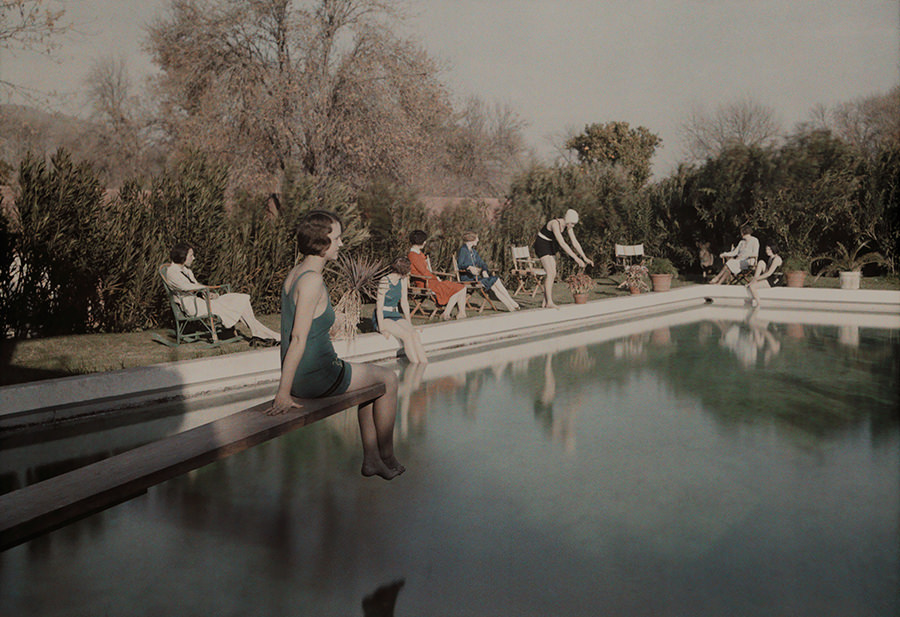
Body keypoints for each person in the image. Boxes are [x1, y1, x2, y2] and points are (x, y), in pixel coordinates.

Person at [267, 210, 404, 481]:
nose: (341, 244)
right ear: (321, 242)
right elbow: (296, 338)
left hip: (306, 374)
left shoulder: (296, 273)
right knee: (388, 379)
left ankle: (372, 460)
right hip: (316, 376)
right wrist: (283, 393)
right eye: (338, 238)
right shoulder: (312, 281)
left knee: (371, 385)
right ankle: (387, 454)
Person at [166, 243, 280, 345]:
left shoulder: (187, 271)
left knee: (240, 299)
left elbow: (196, 287)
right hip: (193, 306)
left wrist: (208, 293)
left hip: (200, 301)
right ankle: (264, 333)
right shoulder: (172, 272)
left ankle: (258, 332)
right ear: (182, 256)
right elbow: (188, 288)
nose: (193, 258)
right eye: (191, 255)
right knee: (233, 304)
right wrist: (207, 289)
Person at [533, 209, 594, 308]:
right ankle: (549, 302)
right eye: (572, 224)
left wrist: (584, 257)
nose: (573, 226)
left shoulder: (568, 226)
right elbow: (562, 243)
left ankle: (546, 302)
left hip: (550, 245)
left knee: (553, 273)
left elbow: (575, 242)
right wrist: (576, 259)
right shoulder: (554, 224)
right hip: (541, 244)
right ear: (568, 221)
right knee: (550, 272)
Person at [374, 256, 428, 364]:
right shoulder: (385, 281)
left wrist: (409, 324)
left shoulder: (402, 280)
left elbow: (404, 302)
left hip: (395, 315)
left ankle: (424, 366)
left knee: (414, 334)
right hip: (384, 316)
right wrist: (381, 328)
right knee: (406, 336)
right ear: (403, 271)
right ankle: (416, 366)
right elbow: (379, 307)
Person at [407, 230, 468, 320]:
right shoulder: (413, 255)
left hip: (429, 280)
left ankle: (461, 313)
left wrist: (435, 278)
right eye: (424, 240)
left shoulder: (418, 253)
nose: (425, 242)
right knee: (459, 288)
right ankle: (447, 313)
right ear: (420, 242)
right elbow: (423, 272)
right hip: (424, 282)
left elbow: (425, 271)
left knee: (461, 288)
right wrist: (436, 278)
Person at [457, 231, 520, 312]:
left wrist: (484, 270)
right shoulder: (463, 250)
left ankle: (510, 306)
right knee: (495, 281)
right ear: (471, 239)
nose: (478, 240)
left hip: (476, 277)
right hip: (468, 278)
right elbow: (460, 265)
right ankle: (512, 303)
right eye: (476, 238)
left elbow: (482, 263)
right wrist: (468, 267)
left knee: (494, 285)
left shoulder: (473, 252)